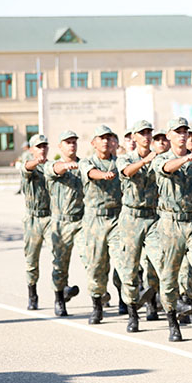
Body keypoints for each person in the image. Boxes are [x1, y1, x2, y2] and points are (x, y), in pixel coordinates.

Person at [153, 117, 192, 342]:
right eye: (177, 132)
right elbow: (167, 169)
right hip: (170, 223)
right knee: (169, 276)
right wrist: (185, 159)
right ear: (169, 135)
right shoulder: (161, 159)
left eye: (185, 132)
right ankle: (172, 320)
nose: (182, 135)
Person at [115, 120, 160, 333]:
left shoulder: (158, 157)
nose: (146, 137)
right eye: (142, 133)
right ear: (134, 137)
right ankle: (133, 313)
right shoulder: (125, 158)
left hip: (153, 217)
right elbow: (126, 172)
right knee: (130, 268)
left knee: (160, 261)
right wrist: (145, 161)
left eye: (149, 133)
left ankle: (155, 301)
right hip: (131, 218)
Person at [79, 125, 123, 324]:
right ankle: (97, 305)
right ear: (93, 142)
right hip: (94, 220)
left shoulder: (119, 162)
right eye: (101, 138)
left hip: (117, 218)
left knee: (123, 261)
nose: (105, 141)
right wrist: (104, 175)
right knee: (97, 265)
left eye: (108, 138)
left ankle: (126, 301)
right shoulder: (87, 162)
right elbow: (91, 173)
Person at [44, 130, 84, 317]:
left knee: (92, 259)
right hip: (61, 223)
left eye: (74, 142)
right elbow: (56, 169)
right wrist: (68, 166)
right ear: (60, 146)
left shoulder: (84, 165)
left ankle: (98, 295)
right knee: (60, 265)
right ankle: (59, 298)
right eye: (68, 142)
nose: (72, 145)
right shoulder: (53, 165)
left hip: (82, 221)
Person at [21, 134, 51, 309]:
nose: (42, 149)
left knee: (58, 255)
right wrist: (37, 162)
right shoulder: (29, 166)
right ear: (32, 149)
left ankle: (60, 294)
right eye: (39, 146)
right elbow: (27, 168)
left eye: (44, 146)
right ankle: (32, 294)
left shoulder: (50, 167)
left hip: (50, 217)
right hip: (32, 218)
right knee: (32, 260)